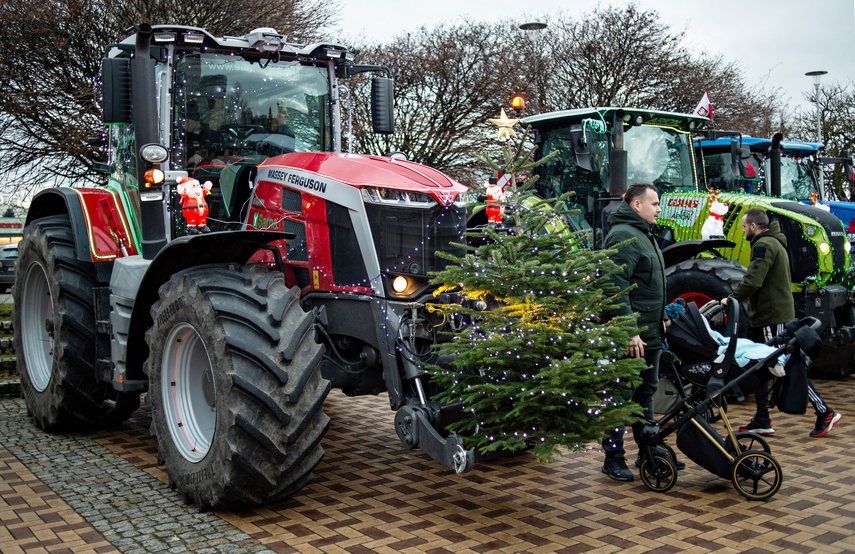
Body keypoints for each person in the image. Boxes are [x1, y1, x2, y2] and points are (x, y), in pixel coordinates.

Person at [722, 208, 841, 438]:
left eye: (745, 227)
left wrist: (732, 299)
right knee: (761, 365)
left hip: (771, 316)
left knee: (783, 365)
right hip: (772, 315)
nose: (744, 230)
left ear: (754, 227)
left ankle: (823, 410)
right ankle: (762, 419)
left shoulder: (763, 245)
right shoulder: (775, 242)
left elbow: (753, 279)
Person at [601, 183, 672, 482]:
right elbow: (614, 289)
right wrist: (629, 331)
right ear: (636, 205)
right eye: (654, 203)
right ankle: (613, 457)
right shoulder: (623, 236)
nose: (659, 209)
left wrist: (662, 316)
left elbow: (649, 285)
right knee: (621, 396)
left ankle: (648, 451)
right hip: (633, 337)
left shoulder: (644, 235)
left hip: (650, 335)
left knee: (645, 393)